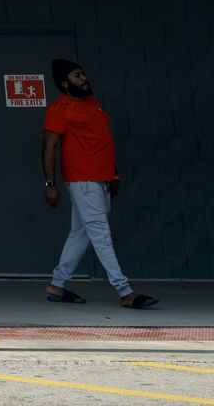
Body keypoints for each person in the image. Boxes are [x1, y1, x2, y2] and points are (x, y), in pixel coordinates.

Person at [43, 58, 158, 309]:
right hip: (82, 180)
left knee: (81, 233)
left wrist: (113, 175)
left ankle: (57, 284)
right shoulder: (59, 108)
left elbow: (103, 140)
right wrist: (50, 183)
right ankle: (124, 290)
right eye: (77, 75)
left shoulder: (93, 104)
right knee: (100, 233)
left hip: (101, 178)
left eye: (83, 74)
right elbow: (49, 147)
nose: (84, 78)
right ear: (65, 83)